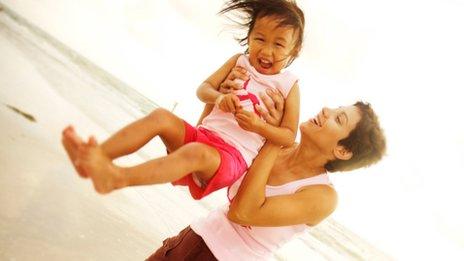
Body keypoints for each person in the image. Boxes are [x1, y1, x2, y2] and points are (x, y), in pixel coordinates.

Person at [61, 0, 306, 199]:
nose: (266, 51)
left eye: (279, 44)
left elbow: (288, 136)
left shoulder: (288, 85)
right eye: (260, 39)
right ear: (249, 36)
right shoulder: (238, 61)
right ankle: (95, 158)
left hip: (232, 157)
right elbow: (203, 90)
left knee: (195, 153)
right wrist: (219, 98)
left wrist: (258, 126)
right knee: (161, 117)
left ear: (293, 51)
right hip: (203, 136)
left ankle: (117, 178)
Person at [145, 71, 387, 260]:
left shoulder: (323, 196)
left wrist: (274, 135)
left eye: (338, 118)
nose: (327, 110)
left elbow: (242, 212)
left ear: (342, 150)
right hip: (189, 239)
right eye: (336, 108)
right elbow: (201, 163)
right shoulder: (273, 144)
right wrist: (219, 96)